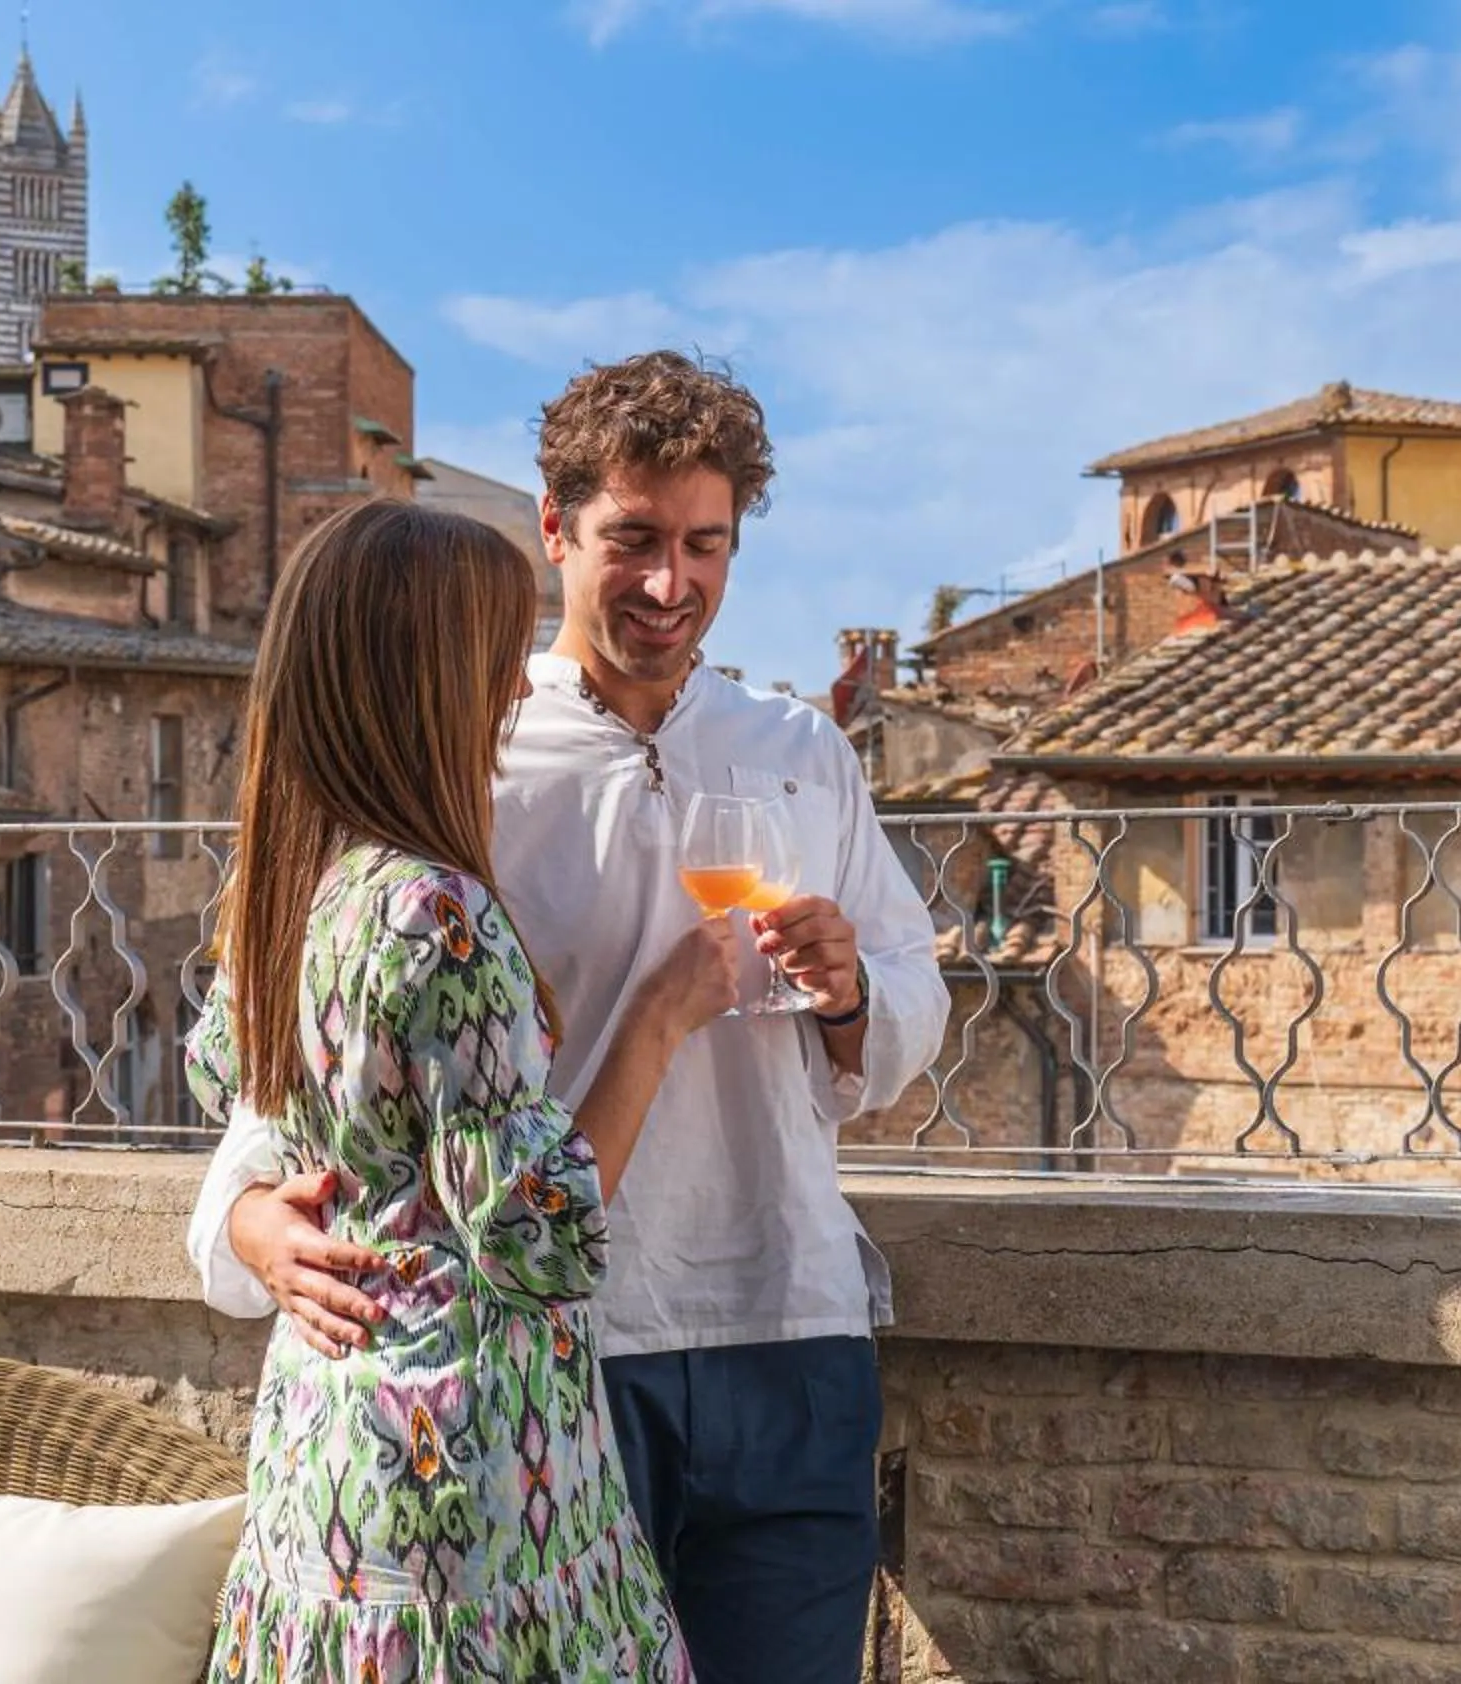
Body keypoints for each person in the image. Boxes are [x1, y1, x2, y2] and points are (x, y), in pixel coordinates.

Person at [188, 350, 946, 1683]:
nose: (673, 584)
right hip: (558, 1363)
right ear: (555, 531)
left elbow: (909, 1021)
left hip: (788, 1331)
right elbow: (294, 1063)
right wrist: (245, 1222)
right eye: (635, 541)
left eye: (707, 545)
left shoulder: (798, 753)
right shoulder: (454, 742)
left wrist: (851, 992)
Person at [184, 499, 739, 1680]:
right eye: (497, 660)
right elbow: (538, 1230)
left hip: (324, 1455)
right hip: (472, 1480)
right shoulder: (439, 915)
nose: (513, 693)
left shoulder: (288, 884)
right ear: (430, 680)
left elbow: (221, 1075)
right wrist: (657, 1019)